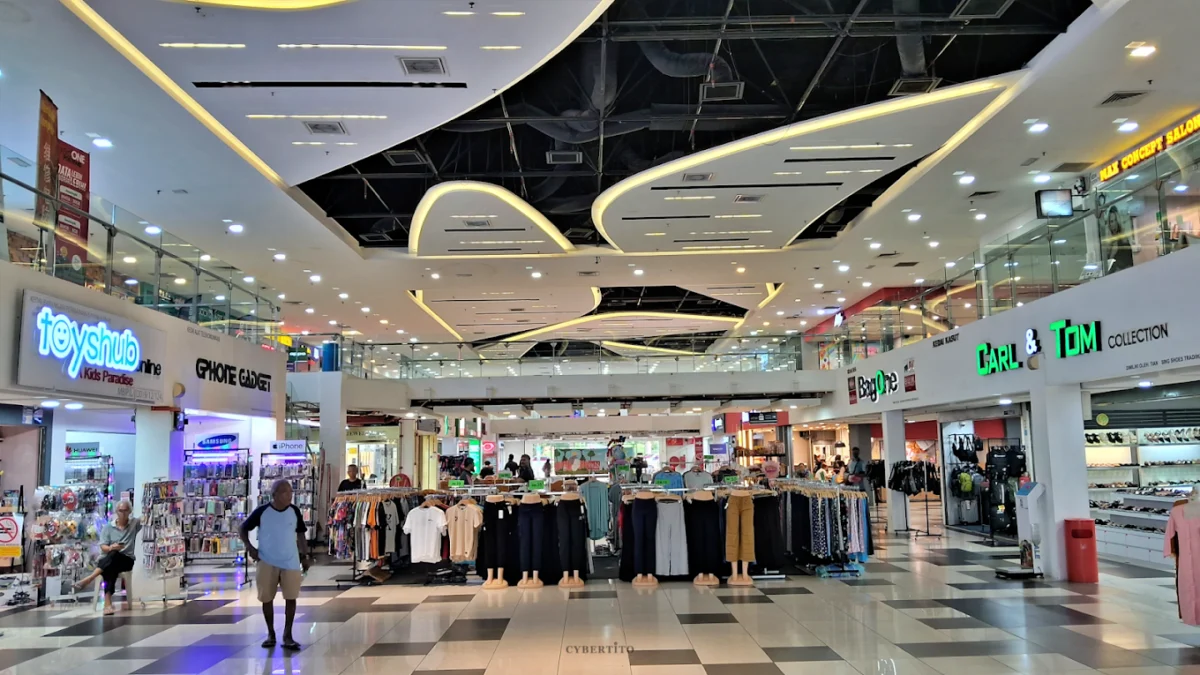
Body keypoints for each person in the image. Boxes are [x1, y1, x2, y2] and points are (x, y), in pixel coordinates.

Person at [241, 479, 310, 651]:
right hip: (267, 561)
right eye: (285, 492)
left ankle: (288, 634)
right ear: (274, 495)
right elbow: (243, 528)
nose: (290, 495)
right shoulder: (262, 512)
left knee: (291, 597)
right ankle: (271, 633)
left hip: (291, 561)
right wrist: (250, 548)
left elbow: (301, 534)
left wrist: (305, 555)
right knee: (267, 598)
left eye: (291, 492)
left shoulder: (294, 511)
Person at [73, 500, 140, 614]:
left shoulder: (134, 523)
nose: (123, 513)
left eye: (125, 511)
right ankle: (107, 603)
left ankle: (90, 578)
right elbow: (103, 546)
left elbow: (147, 518)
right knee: (111, 563)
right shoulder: (108, 527)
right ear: (116, 512)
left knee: (112, 558)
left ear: (130, 511)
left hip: (126, 559)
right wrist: (111, 547)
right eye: (120, 511)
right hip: (110, 558)